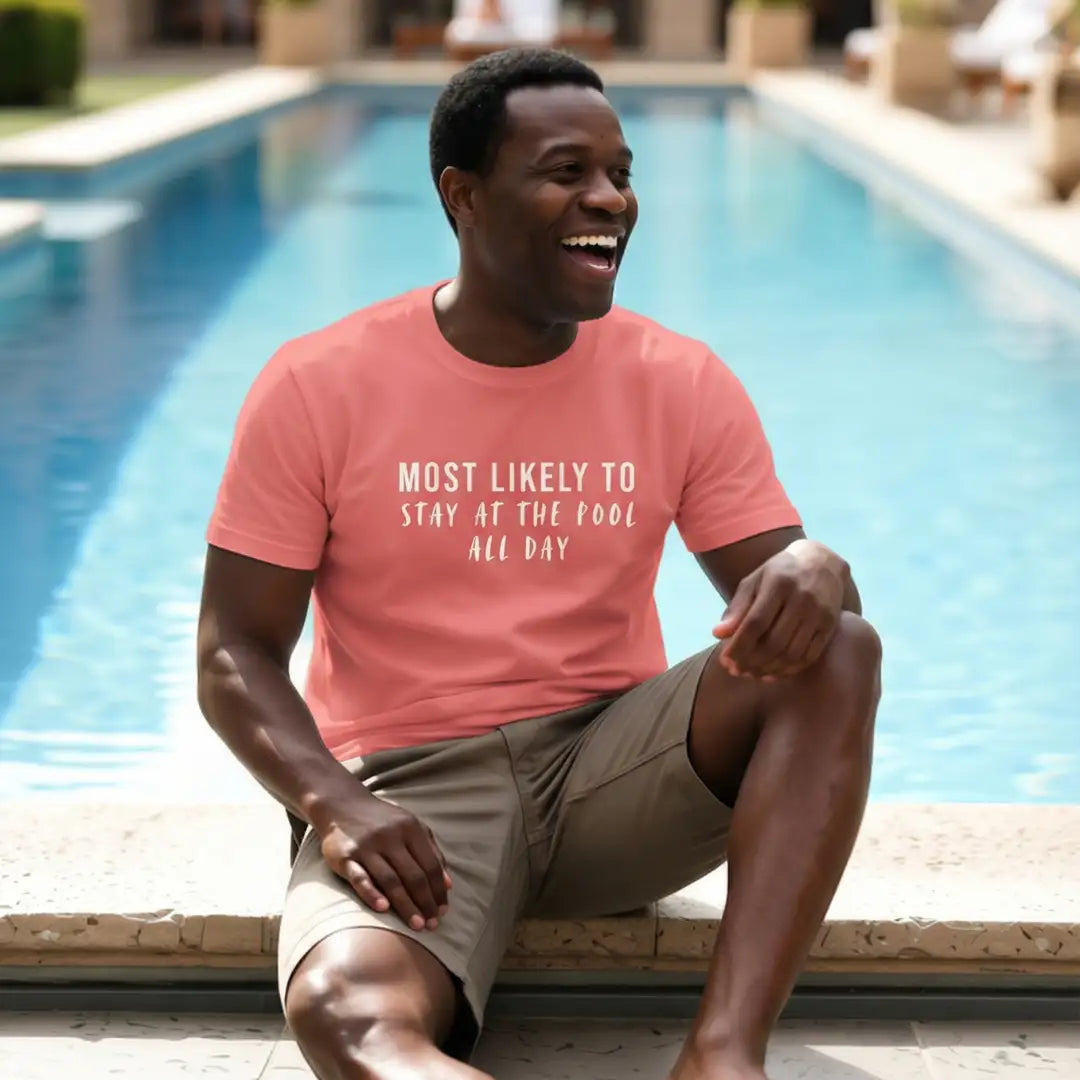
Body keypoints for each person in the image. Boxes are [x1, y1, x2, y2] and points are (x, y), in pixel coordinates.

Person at [197, 48, 882, 1080]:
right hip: (414, 795)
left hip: (615, 774)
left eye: (621, 172)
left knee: (839, 645)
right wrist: (339, 804)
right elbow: (232, 650)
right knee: (345, 1017)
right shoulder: (318, 384)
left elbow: (801, 624)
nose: (608, 200)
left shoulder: (678, 379)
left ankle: (724, 1057)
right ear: (462, 196)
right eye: (567, 173)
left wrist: (816, 566)